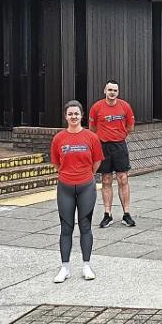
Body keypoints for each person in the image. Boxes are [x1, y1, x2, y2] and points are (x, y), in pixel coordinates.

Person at [51, 100, 104, 283]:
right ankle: (64, 268)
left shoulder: (91, 137)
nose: (73, 117)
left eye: (76, 114)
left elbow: (97, 161)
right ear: (65, 116)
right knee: (66, 228)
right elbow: (57, 162)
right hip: (65, 186)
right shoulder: (58, 138)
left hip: (86, 186)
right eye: (70, 114)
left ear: (82, 116)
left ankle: (86, 265)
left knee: (85, 227)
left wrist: (87, 174)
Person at [89, 80, 136, 228]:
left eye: (115, 90)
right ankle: (107, 214)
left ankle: (126, 214)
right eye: (109, 90)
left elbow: (130, 127)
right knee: (106, 180)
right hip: (103, 146)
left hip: (120, 146)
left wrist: (119, 136)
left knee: (123, 179)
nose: (112, 93)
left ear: (118, 92)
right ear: (105, 90)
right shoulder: (96, 107)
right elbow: (92, 128)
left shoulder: (125, 106)